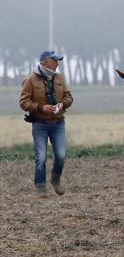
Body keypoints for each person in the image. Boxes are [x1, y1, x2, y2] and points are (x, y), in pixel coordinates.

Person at [19, 50, 73, 197]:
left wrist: (63, 104)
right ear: (44, 62)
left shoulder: (60, 78)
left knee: (61, 155)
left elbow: (69, 97)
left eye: (58, 61)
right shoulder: (30, 80)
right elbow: (23, 102)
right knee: (41, 157)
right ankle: (41, 185)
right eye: (54, 60)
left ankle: (55, 179)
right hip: (40, 124)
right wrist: (41, 107)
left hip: (58, 123)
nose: (57, 63)